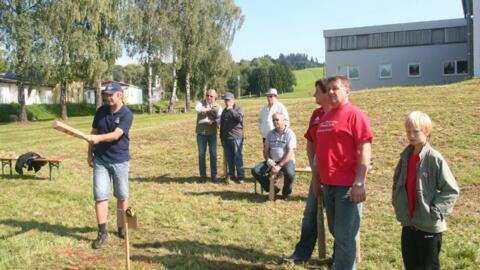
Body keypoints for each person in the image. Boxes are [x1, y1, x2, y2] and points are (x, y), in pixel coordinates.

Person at [315, 76, 372, 270]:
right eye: (328, 89)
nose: (330, 92)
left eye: (335, 88)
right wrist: (319, 182)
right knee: (337, 232)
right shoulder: (325, 117)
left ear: (347, 91)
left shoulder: (355, 115)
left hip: (347, 186)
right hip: (328, 185)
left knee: (346, 235)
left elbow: (365, 149)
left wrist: (359, 183)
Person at [392, 111, 459, 270]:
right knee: (411, 265)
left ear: (426, 131)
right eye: (408, 131)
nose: (411, 135)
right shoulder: (405, 157)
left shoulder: (434, 158)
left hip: (428, 226)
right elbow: (397, 183)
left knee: (428, 267)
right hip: (408, 223)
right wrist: (397, 202)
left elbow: (451, 190)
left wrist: (434, 211)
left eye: (416, 131)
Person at [283, 79, 331, 264]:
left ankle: (340, 258)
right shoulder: (316, 115)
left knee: (337, 223)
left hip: (337, 178)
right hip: (317, 175)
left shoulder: (338, 114)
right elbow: (310, 142)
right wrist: (314, 169)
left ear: (326, 93)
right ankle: (301, 254)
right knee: (309, 216)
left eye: (317, 91)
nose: (314, 95)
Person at [87, 82, 133, 249]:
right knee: (100, 196)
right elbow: (93, 133)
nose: (108, 98)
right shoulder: (101, 111)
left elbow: (116, 135)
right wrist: (89, 153)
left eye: (111, 95)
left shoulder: (127, 114)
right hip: (100, 160)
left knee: (122, 196)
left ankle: (122, 227)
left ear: (119, 95)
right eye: (106, 95)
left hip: (120, 160)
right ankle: (102, 232)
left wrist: (98, 139)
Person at [251, 112, 296, 200]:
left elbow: (290, 152)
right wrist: (269, 161)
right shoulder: (270, 134)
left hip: (286, 161)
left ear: (283, 120)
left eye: (277, 120)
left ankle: (286, 193)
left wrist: (279, 166)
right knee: (255, 170)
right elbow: (266, 150)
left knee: (290, 174)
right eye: (273, 120)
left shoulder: (290, 134)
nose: (275, 122)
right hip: (272, 161)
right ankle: (272, 189)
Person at [195, 89, 223, 181]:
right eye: (207, 95)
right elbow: (197, 109)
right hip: (201, 133)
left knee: (213, 154)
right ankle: (203, 176)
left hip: (212, 134)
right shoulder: (201, 103)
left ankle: (214, 175)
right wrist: (209, 109)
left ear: (215, 97)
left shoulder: (218, 106)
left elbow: (220, 118)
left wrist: (214, 121)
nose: (209, 97)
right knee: (201, 154)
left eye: (211, 96)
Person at [220, 92, 245, 183]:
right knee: (229, 158)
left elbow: (239, 119)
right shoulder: (224, 111)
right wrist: (221, 138)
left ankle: (241, 176)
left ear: (233, 100)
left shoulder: (239, 108)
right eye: (225, 100)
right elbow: (222, 125)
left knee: (237, 157)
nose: (226, 102)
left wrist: (231, 110)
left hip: (236, 138)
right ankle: (231, 175)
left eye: (228, 100)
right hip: (226, 138)